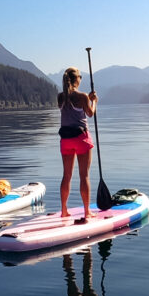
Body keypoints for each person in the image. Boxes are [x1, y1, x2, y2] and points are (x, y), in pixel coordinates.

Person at [57, 66, 98, 221]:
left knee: (66, 176)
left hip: (65, 140)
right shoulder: (82, 96)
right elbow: (90, 113)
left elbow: (69, 106)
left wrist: (87, 98)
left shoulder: (60, 97)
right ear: (77, 79)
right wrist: (93, 101)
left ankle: (64, 210)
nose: (81, 79)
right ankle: (87, 211)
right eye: (80, 76)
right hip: (81, 139)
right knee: (84, 175)